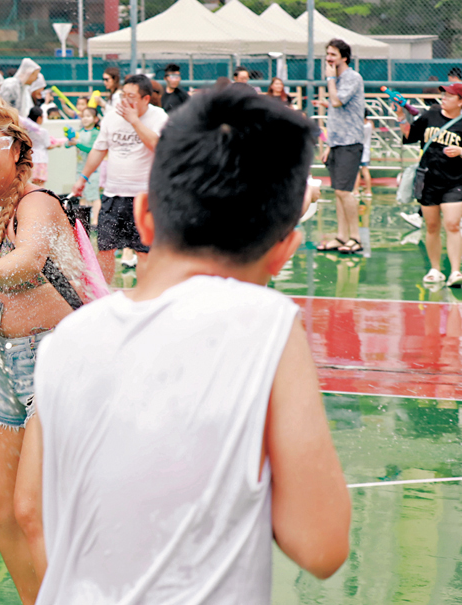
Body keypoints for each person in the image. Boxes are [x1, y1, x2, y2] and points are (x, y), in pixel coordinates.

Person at [33, 86, 351, 604]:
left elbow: (30, 511)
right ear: (284, 250)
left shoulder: (69, 339)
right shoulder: (266, 326)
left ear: (144, 216)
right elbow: (321, 544)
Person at [0, 94, 103, 605]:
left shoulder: (38, 203)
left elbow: (31, 259)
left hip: (56, 363)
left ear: (16, 150)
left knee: (34, 508)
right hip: (1, 368)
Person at [72, 74, 168, 281]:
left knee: (144, 252)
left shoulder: (159, 116)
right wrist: (83, 177)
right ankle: (104, 297)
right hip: (113, 195)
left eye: (131, 96)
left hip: (144, 197)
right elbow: (99, 150)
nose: (125, 101)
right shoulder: (112, 117)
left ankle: (143, 300)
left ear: (145, 99)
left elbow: (159, 146)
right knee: (105, 249)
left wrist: (134, 121)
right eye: (124, 95)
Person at [395, 83, 462, 287]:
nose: (444, 98)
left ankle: (456, 272)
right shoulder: (430, 115)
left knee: (452, 224)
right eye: (443, 94)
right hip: (428, 180)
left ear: (460, 102)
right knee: (431, 226)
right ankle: (435, 269)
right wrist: (400, 115)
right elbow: (409, 135)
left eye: (449, 96)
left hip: (455, 181)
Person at [315, 38, 365, 255]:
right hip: (336, 143)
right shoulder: (336, 79)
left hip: (350, 142)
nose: (328, 58)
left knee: (345, 192)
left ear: (344, 58)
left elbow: (336, 102)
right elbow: (334, 114)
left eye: (333, 54)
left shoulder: (351, 78)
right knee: (338, 192)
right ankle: (342, 236)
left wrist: (329, 79)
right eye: (327, 54)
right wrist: (328, 144)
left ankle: (356, 238)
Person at [66, 106, 100, 225]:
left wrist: (77, 143)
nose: (85, 119)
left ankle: (95, 220)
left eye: (88, 116)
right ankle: (82, 220)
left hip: (93, 171)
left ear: (95, 119)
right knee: (81, 195)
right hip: (79, 170)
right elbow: (67, 144)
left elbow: (91, 149)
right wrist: (69, 141)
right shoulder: (79, 133)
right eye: (83, 116)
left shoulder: (96, 133)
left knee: (94, 195)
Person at [353, 109, 373, 200]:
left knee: (356, 171)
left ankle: (356, 190)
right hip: (366, 150)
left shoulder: (357, 125)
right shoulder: (369, 125)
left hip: (357, 149)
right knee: (365, 170)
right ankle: (368, 191)